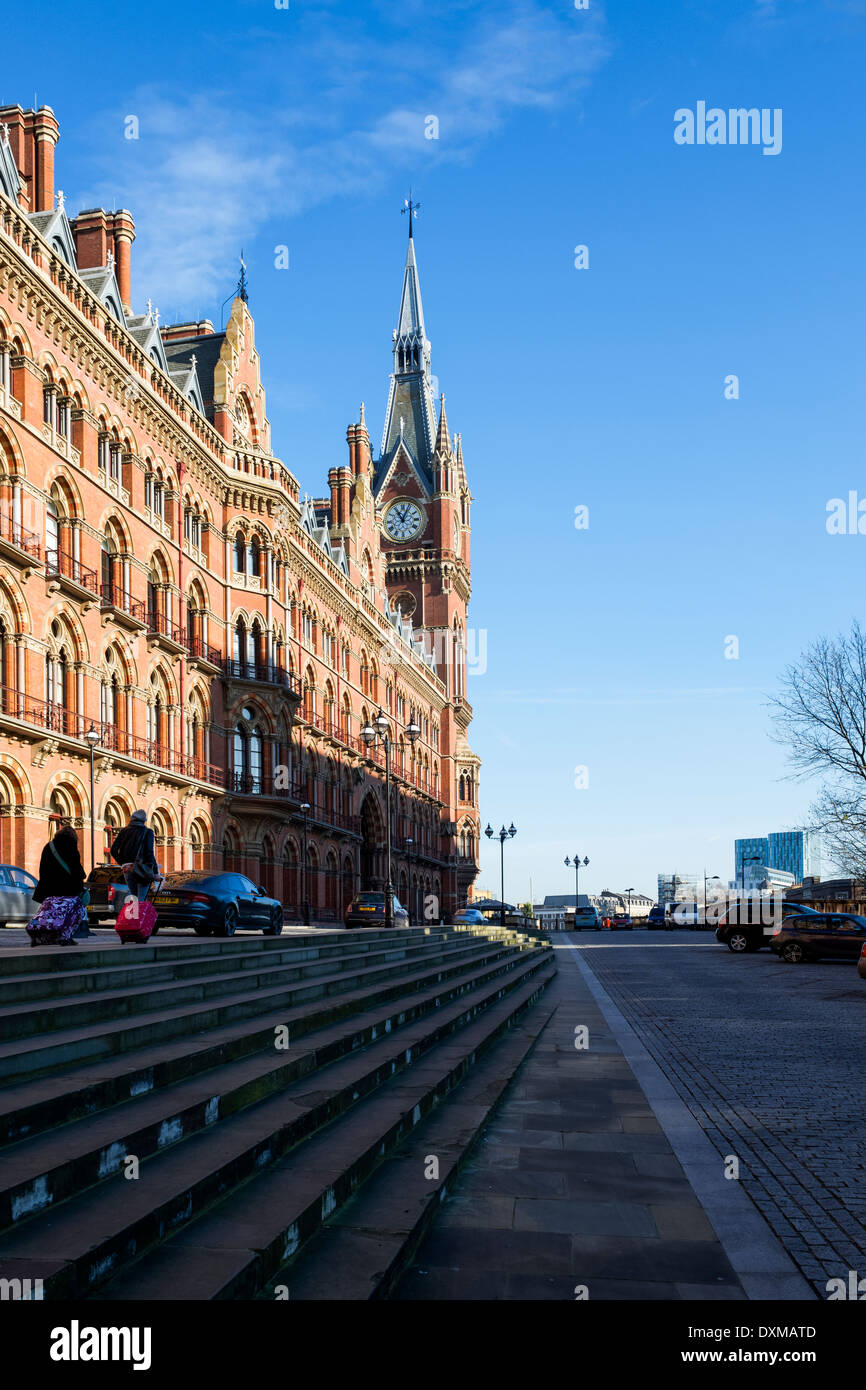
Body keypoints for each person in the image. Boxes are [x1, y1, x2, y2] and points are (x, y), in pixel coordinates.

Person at [28, 824, 87, 947]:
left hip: (49, 887)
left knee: (47, 913)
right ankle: (66, 936)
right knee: (70, 913)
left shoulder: (48, 846)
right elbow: (76, 869)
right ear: (74, 837)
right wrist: (80, 886)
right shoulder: (71, 847)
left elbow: (42, 868)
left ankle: (39, 935)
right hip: (67, 888)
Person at [110, 809, 159, 903]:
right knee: (141, 899)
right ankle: (139, 917)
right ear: (144, 820)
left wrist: (124, 864)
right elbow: (149, 853)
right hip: (142, 869)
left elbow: (113, 850)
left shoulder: (123, 831)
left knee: (134, 897)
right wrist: (156, 872)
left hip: (127, 869)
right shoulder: (147, 832)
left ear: (132, 819)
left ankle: (135, 917)